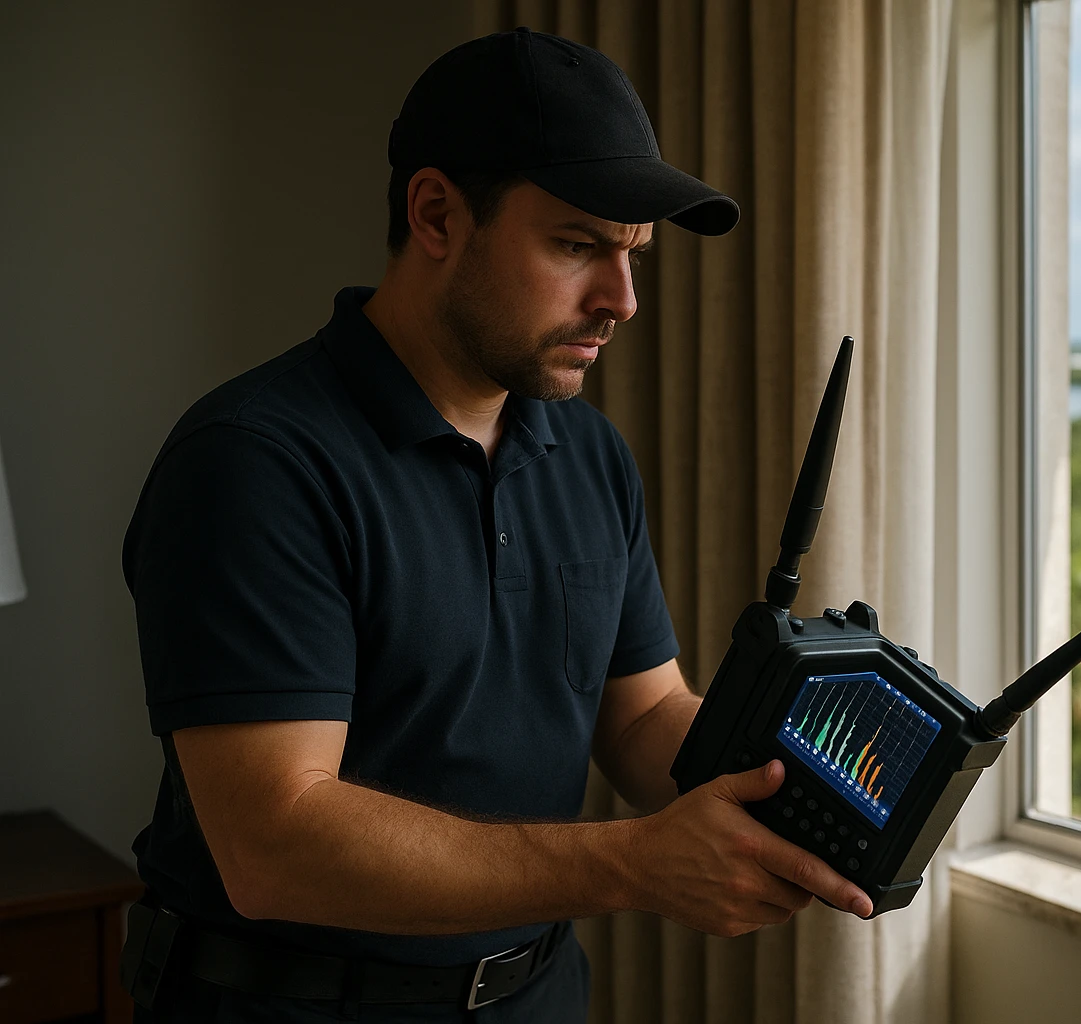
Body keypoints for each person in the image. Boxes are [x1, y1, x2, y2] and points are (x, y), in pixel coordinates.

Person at [119, 28, 871, 1022]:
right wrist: (633, 864)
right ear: (435, 214)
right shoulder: (256, 462)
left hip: (537, 997)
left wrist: (819, 783)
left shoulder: (590, 455)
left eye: (633, 255)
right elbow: (275, 843)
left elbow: (645, 718)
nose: (624, 301)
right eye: (577, 246)